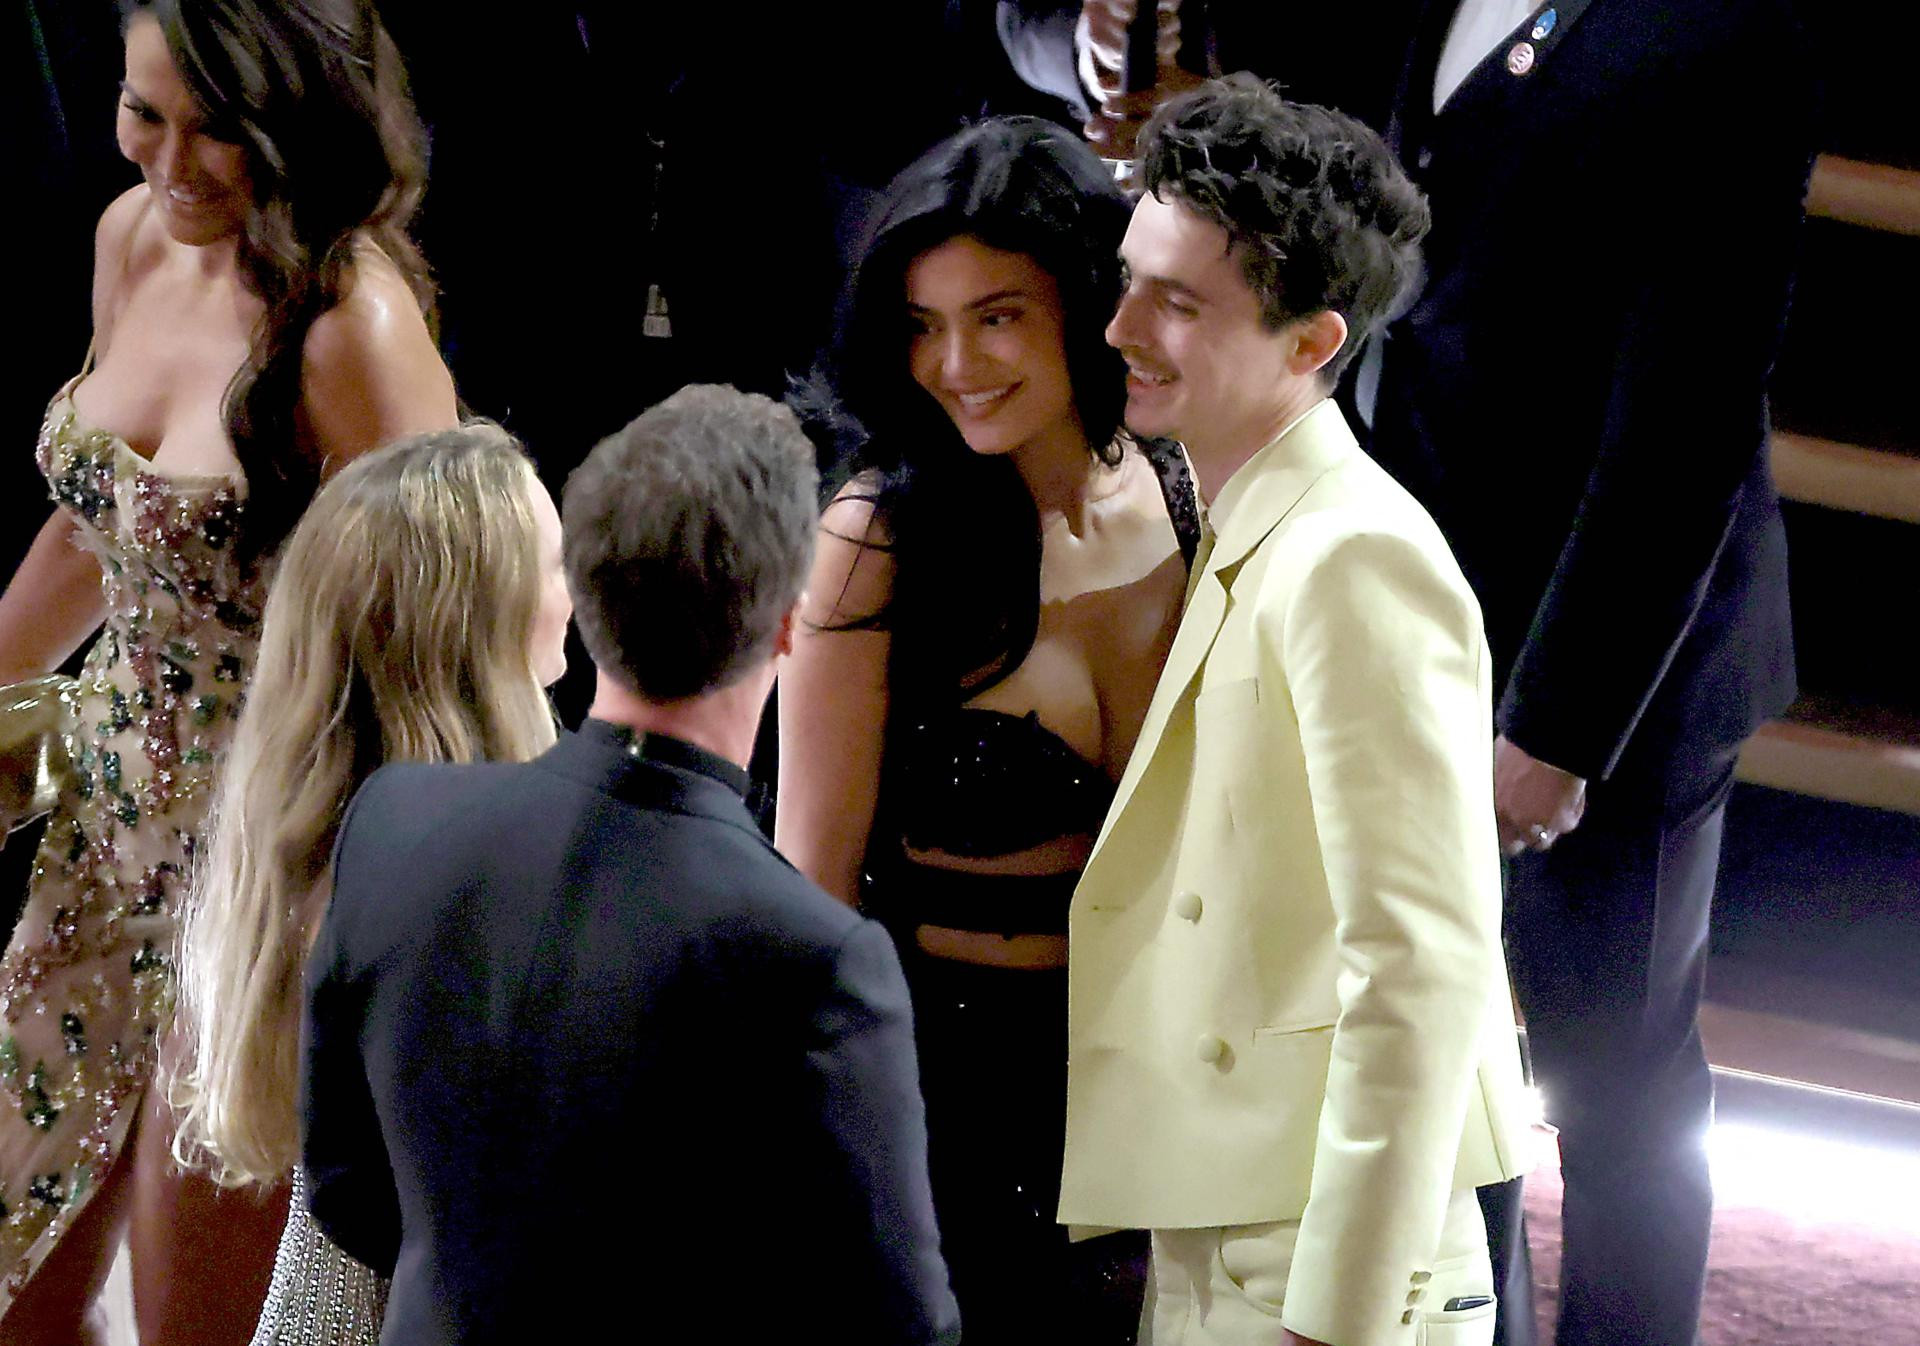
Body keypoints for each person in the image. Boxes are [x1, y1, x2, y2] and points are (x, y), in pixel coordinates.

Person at [1008, 6, 1818, 1343]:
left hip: (1621, 660)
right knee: (1424, 1054)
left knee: (1613, 1079)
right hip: (1400, 595)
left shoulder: (1731, 35)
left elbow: (1691, 408)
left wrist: (1559, 725)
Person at [302, 385, 958, 1346]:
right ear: (789, 622)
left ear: (586, 597)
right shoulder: (817, 956)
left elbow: (346, 1187)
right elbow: (900, 1321)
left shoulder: (397, 820)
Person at [0, 1, 456, 1340]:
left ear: (303, 117)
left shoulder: (356, 332)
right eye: (144, 113)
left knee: (194, 1318)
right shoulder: (131, 236)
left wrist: (356, 927)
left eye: (216, 130)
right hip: (101, 847)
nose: (170, 163)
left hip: (275, 882)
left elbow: (445, 662)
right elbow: (103, 530)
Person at [1063, 79, 1532, 1346]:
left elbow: (1421, 963)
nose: (1119, 327)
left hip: (1317, 1268)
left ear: (1312, 342)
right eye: (1130, 280)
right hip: (1230, 1220)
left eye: (1178, 302)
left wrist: (1337, 1313)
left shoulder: (1353, 557)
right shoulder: (1255, 519)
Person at [776, 116, 1196, 1342]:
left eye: (997, 316)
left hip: (1164, 1087)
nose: (954, 363)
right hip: (941, 1112)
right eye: (924, 324)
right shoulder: (877, 537)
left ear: (1089, 304)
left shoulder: (1185, 489)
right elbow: (811, 885)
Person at [166, 424, 567, 1345]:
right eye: (553, 567)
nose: (576, 592)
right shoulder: (455, 893)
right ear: (476, 622)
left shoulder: (326, 860)